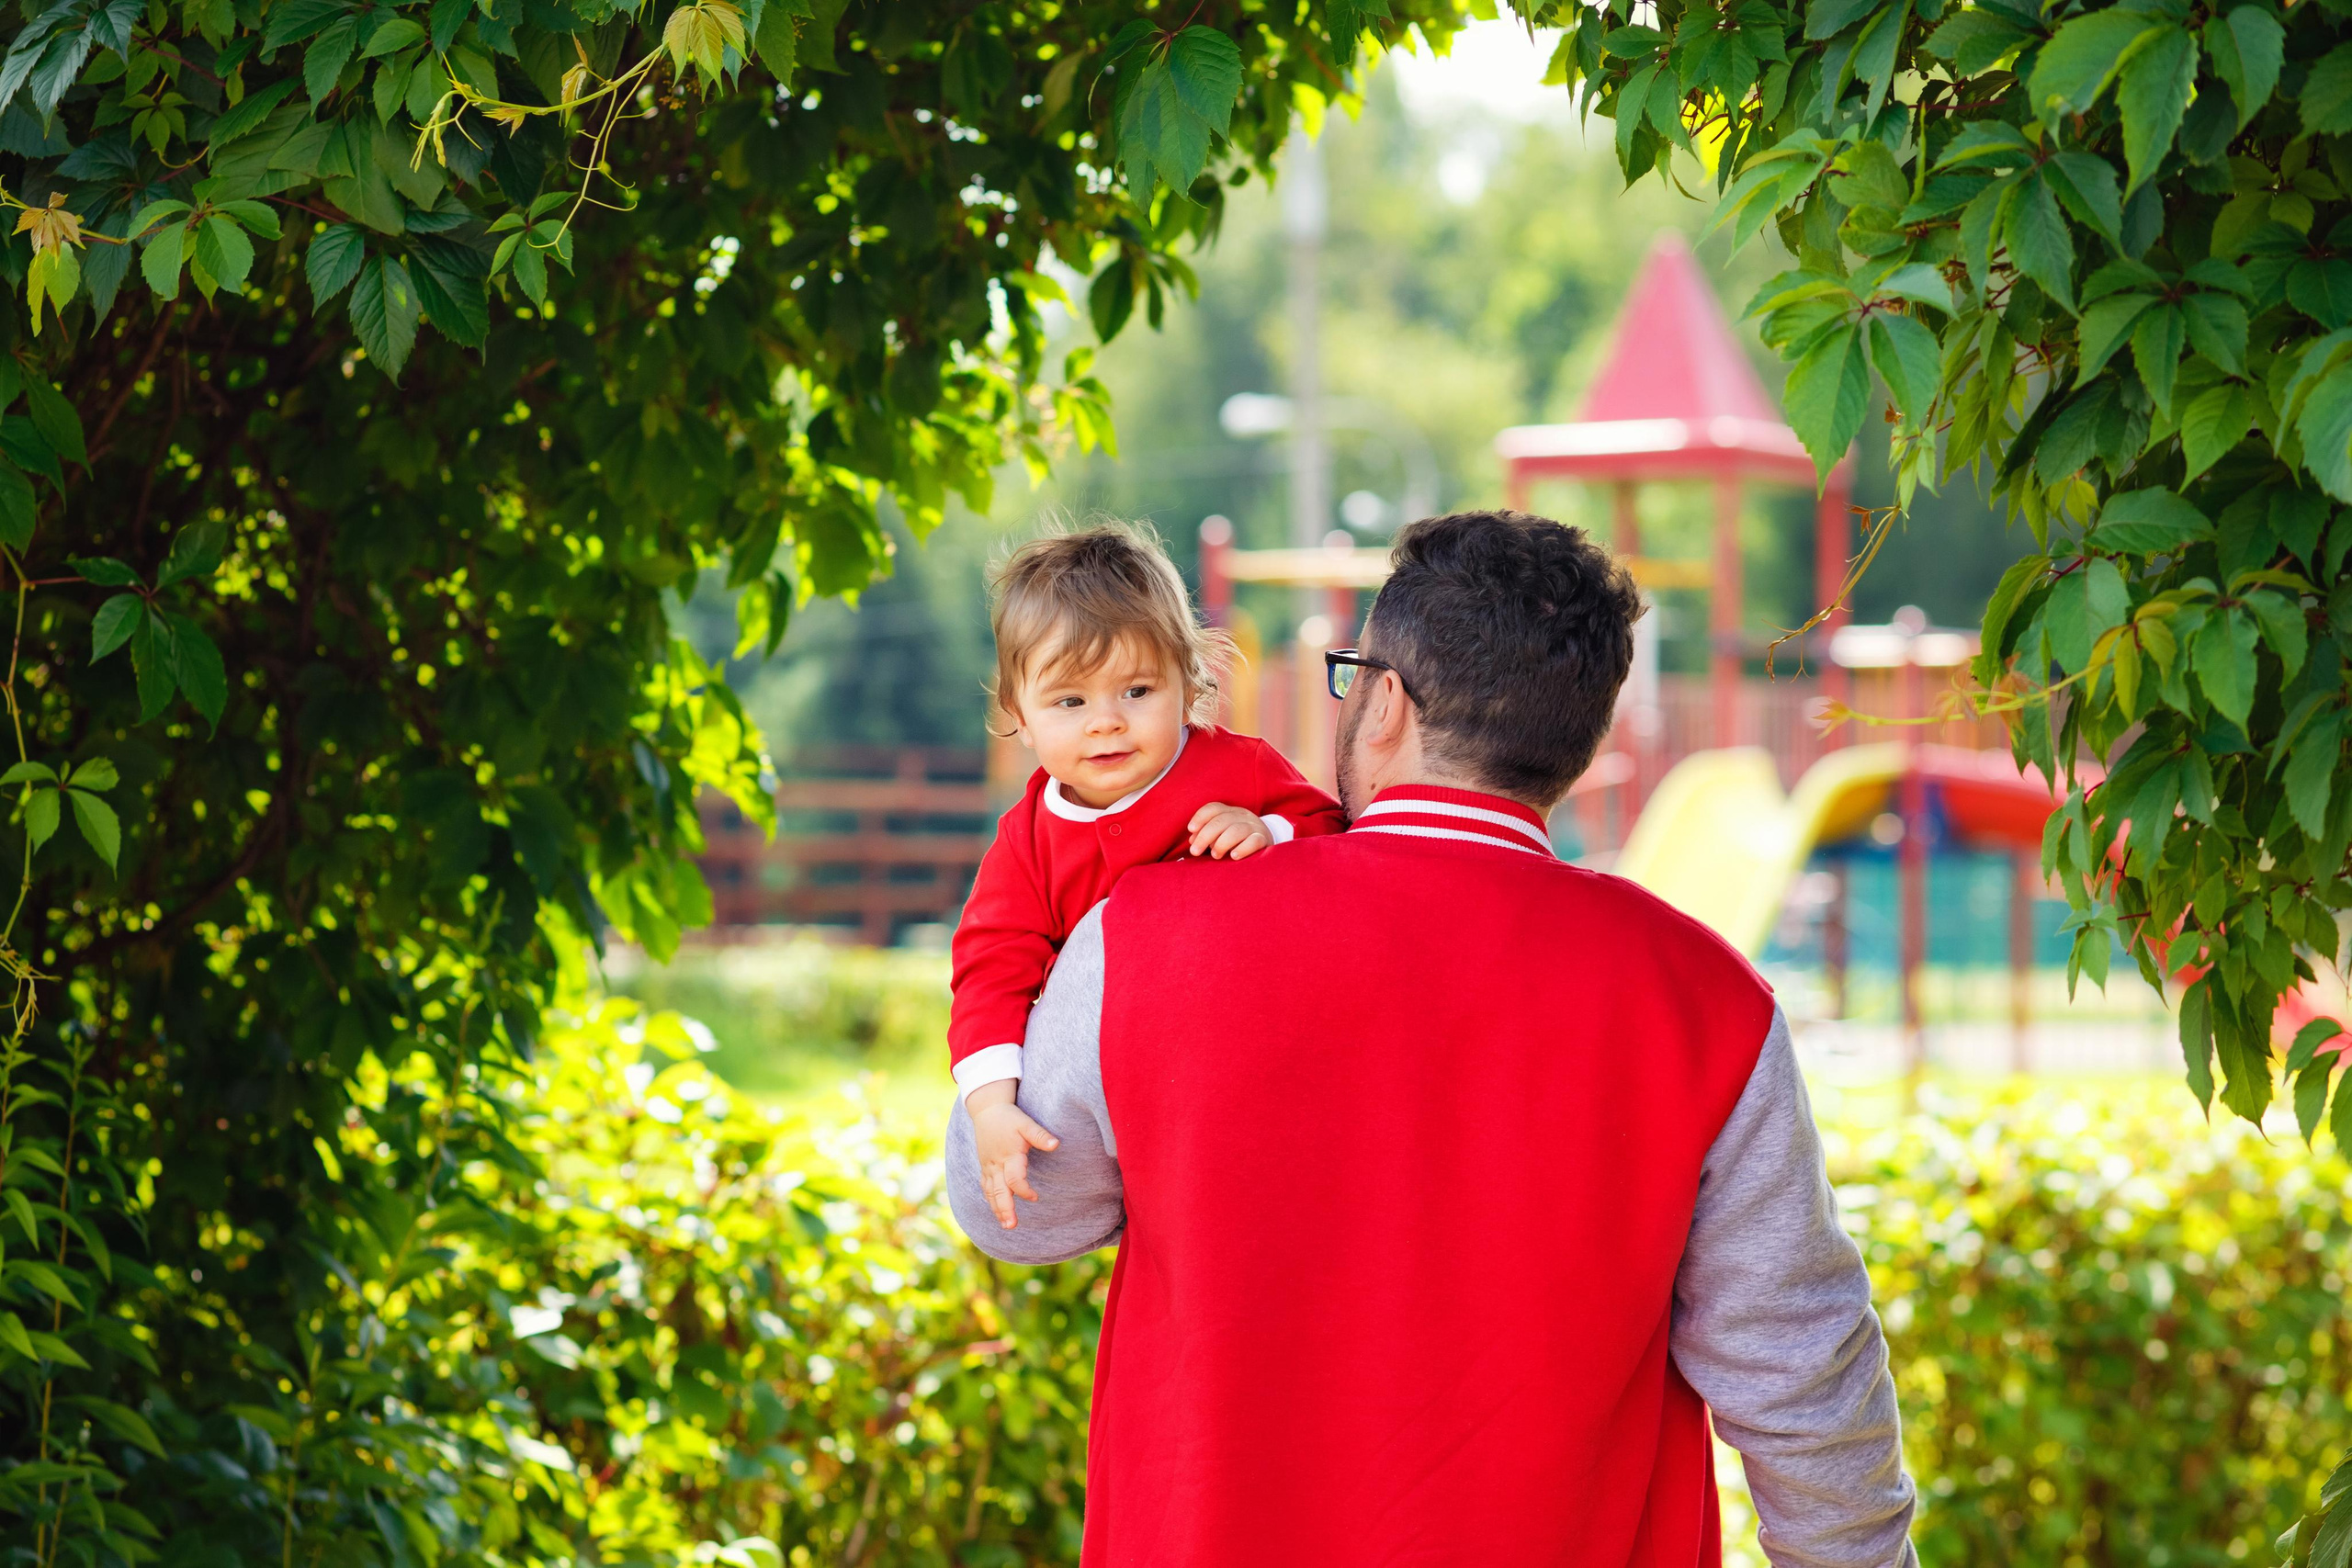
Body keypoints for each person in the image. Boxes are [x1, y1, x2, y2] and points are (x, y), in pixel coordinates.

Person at [947, 510, 1917, 1567]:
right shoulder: (1709, 1003)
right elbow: (1804, 1374)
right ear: (1575, 737)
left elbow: (1017, 1216)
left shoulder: (1137, 935)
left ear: (1388, 705)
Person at [950, 524, 1347, 1227]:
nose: (1106, 722)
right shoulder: (1027, 841)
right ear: (1019, 715)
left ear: (1188, 681)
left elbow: (1334, 839)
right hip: (1121, 1085)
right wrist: (991, 1105)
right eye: (1070, 702)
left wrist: (1269, 831)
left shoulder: (1238, 769)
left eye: (1136, 690)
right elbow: (990, 967)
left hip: (1247, 1048)